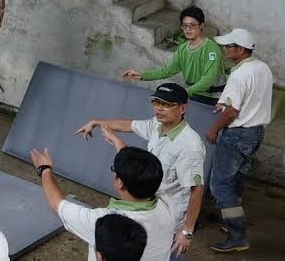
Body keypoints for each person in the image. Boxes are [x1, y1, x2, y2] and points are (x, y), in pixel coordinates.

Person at [74, 83, 206, 260]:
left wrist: (187, 231)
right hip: (150, 208)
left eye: (167, 104)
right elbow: (128, 125)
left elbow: (196, 190)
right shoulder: (156, 125)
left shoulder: (190, 146)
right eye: (157, 102)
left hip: (170, 220)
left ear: (182, 108)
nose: (159, 108)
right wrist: (97, 123)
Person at [30, 146, 174, 261]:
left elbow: (57, 205)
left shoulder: (106, 223)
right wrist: (116, 142)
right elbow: (141, 173)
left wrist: (44, 169)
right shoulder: (167, 202)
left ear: (120, 182)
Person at [205, 28, 273, 253]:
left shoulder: (239, 74)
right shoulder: (261, 67)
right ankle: (232, 220)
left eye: (228, 46)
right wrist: (225, 103)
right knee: (237, 177)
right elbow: (249, 98)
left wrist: (214, 129)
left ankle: (237, 236)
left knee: (219, 185)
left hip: (236, 134)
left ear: (240, 50)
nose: (225, 49)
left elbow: (233, 111)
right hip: (255, 133)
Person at [122, 6, 224, 105]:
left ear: (201, 25)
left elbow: (208, 80)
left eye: (192, 25)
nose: (188, 29)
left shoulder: (211, 49)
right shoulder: (183, 48)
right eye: (185, 25)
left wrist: (185, 93)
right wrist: (142, 75)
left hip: (211, 97)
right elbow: (168, 70)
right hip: (193, 95)